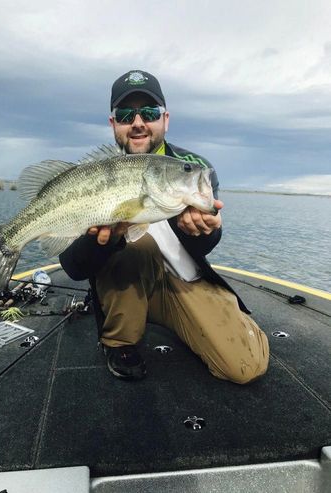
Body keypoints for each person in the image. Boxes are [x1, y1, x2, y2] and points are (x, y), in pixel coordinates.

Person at [59, 70, 269, 383]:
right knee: (137, 243)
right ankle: (120, 341)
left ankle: (222, 321)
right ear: (113, 123)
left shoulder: (193, 168)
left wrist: (209, 229)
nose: (138, 122)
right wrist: (105, 239)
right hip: (126, 282)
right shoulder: (91, 177)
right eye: (126, 114)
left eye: (150, 112)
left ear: (165, 120)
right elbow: (74, 267)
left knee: (244, 368)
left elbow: (205, 239)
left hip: (182, 282)